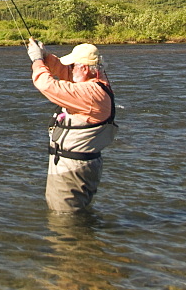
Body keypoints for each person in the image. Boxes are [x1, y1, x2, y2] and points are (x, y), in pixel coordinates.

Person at [26, 39, 118, 212]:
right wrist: (45, 56)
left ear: (84, 68)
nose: (70, 69)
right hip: (80, 167)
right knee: (74, 217)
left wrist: (37, 61)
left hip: (71, 171)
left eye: (73, 65)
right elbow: (66, 72)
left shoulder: (89, 94)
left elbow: (47, 85)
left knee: (64, 220)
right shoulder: (96, 81)